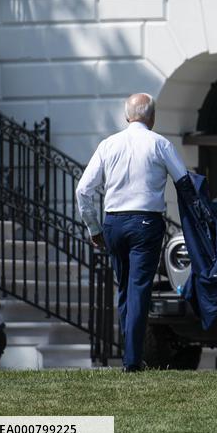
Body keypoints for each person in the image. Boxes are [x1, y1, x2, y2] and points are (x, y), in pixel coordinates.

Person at [76, 93, 188, 372]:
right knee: (139, 290)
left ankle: (130, 353)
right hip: (145, 223)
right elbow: (184, 181)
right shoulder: (159, 143)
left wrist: (94, 227)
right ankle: (132, 360)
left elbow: (83, 190)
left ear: (127, 116)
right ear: (152, 117)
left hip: (113, 222)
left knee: (125, 289)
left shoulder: (108, 144)